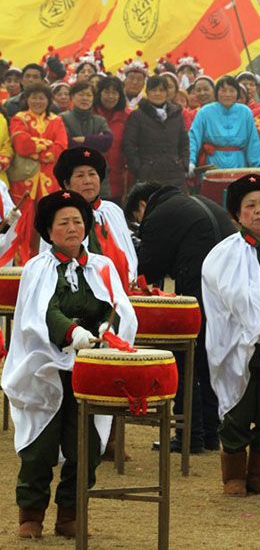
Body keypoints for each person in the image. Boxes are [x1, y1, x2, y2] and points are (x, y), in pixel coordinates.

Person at [1, 189, 136, 539]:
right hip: (47, 368)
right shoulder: (38, 268)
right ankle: (31, 513)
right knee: (40, 445)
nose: (73, 228)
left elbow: (118, 306)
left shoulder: (102, 267)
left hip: (91, 368)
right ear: (49, 231)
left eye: (78, 221)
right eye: (64, 222)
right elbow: (41, 311)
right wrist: (70, 332)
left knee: (86, 444)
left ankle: (70, 514)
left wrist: (109, 327)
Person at [203, 174, 260, 497]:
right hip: (240, 344)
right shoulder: (224, 253)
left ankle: (259, 472)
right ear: (237, 214)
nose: (259, 212)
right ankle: (234, 475)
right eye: (250, 206)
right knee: (238, 410)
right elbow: (239, 295)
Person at [126, 181, 236, 453]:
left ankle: (189, 436)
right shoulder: (198, 201)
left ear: (142, 206)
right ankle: (211, 433)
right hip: (228, 291)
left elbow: (148, 270)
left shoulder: (158, 214)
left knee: (187, 360)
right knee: (210, 361)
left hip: (196, 291)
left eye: (137, 220)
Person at [52, 146, 138, 286]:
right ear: (66, 183)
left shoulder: (112, 211)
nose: (88, 181)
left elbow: (128, 252)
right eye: (80, 175)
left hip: (120, 290)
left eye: (92, 174)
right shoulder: (58, 213)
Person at [9, 82, 68, 262]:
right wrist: (46, 145)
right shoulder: (19, 118)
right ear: (26, 99)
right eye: (33, 97)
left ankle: (49, 260)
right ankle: (20, 262)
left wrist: (35, 149)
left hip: (49, 180)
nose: (37, 101)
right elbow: (21, 145)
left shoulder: (56, 120)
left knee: (48, 219)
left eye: (41, 98)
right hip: (24, 180)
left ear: (49, 100)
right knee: (22, 223)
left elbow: (61, 147)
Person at [123, 75, 190, 189]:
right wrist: (138, 168)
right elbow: (128, 144)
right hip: (148, 174)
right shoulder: (137, 115)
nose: (158, 94)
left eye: (161, 90)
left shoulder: (176, 114)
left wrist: (184, 163)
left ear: (167, 93)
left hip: (175, 174)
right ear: (147, 92)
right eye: (154, 90)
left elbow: (184, 142)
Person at [189, 76, 260, 173]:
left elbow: (253, 141)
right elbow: (194, 138)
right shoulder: (205, 112)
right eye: (223, 90)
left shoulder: (245, 112)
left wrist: (258, 165)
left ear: (237, 93)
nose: (227, 94)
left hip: (239, 163)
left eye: (232, 91)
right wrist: (190, 161)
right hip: (213, 162)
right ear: (216, 92)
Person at [94, 76, 131, 203]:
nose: (110, 96)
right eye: (106, 92)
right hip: (93, 179)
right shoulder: (91, 114)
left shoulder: (127, 117)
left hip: (118, 178)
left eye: (114, 92)